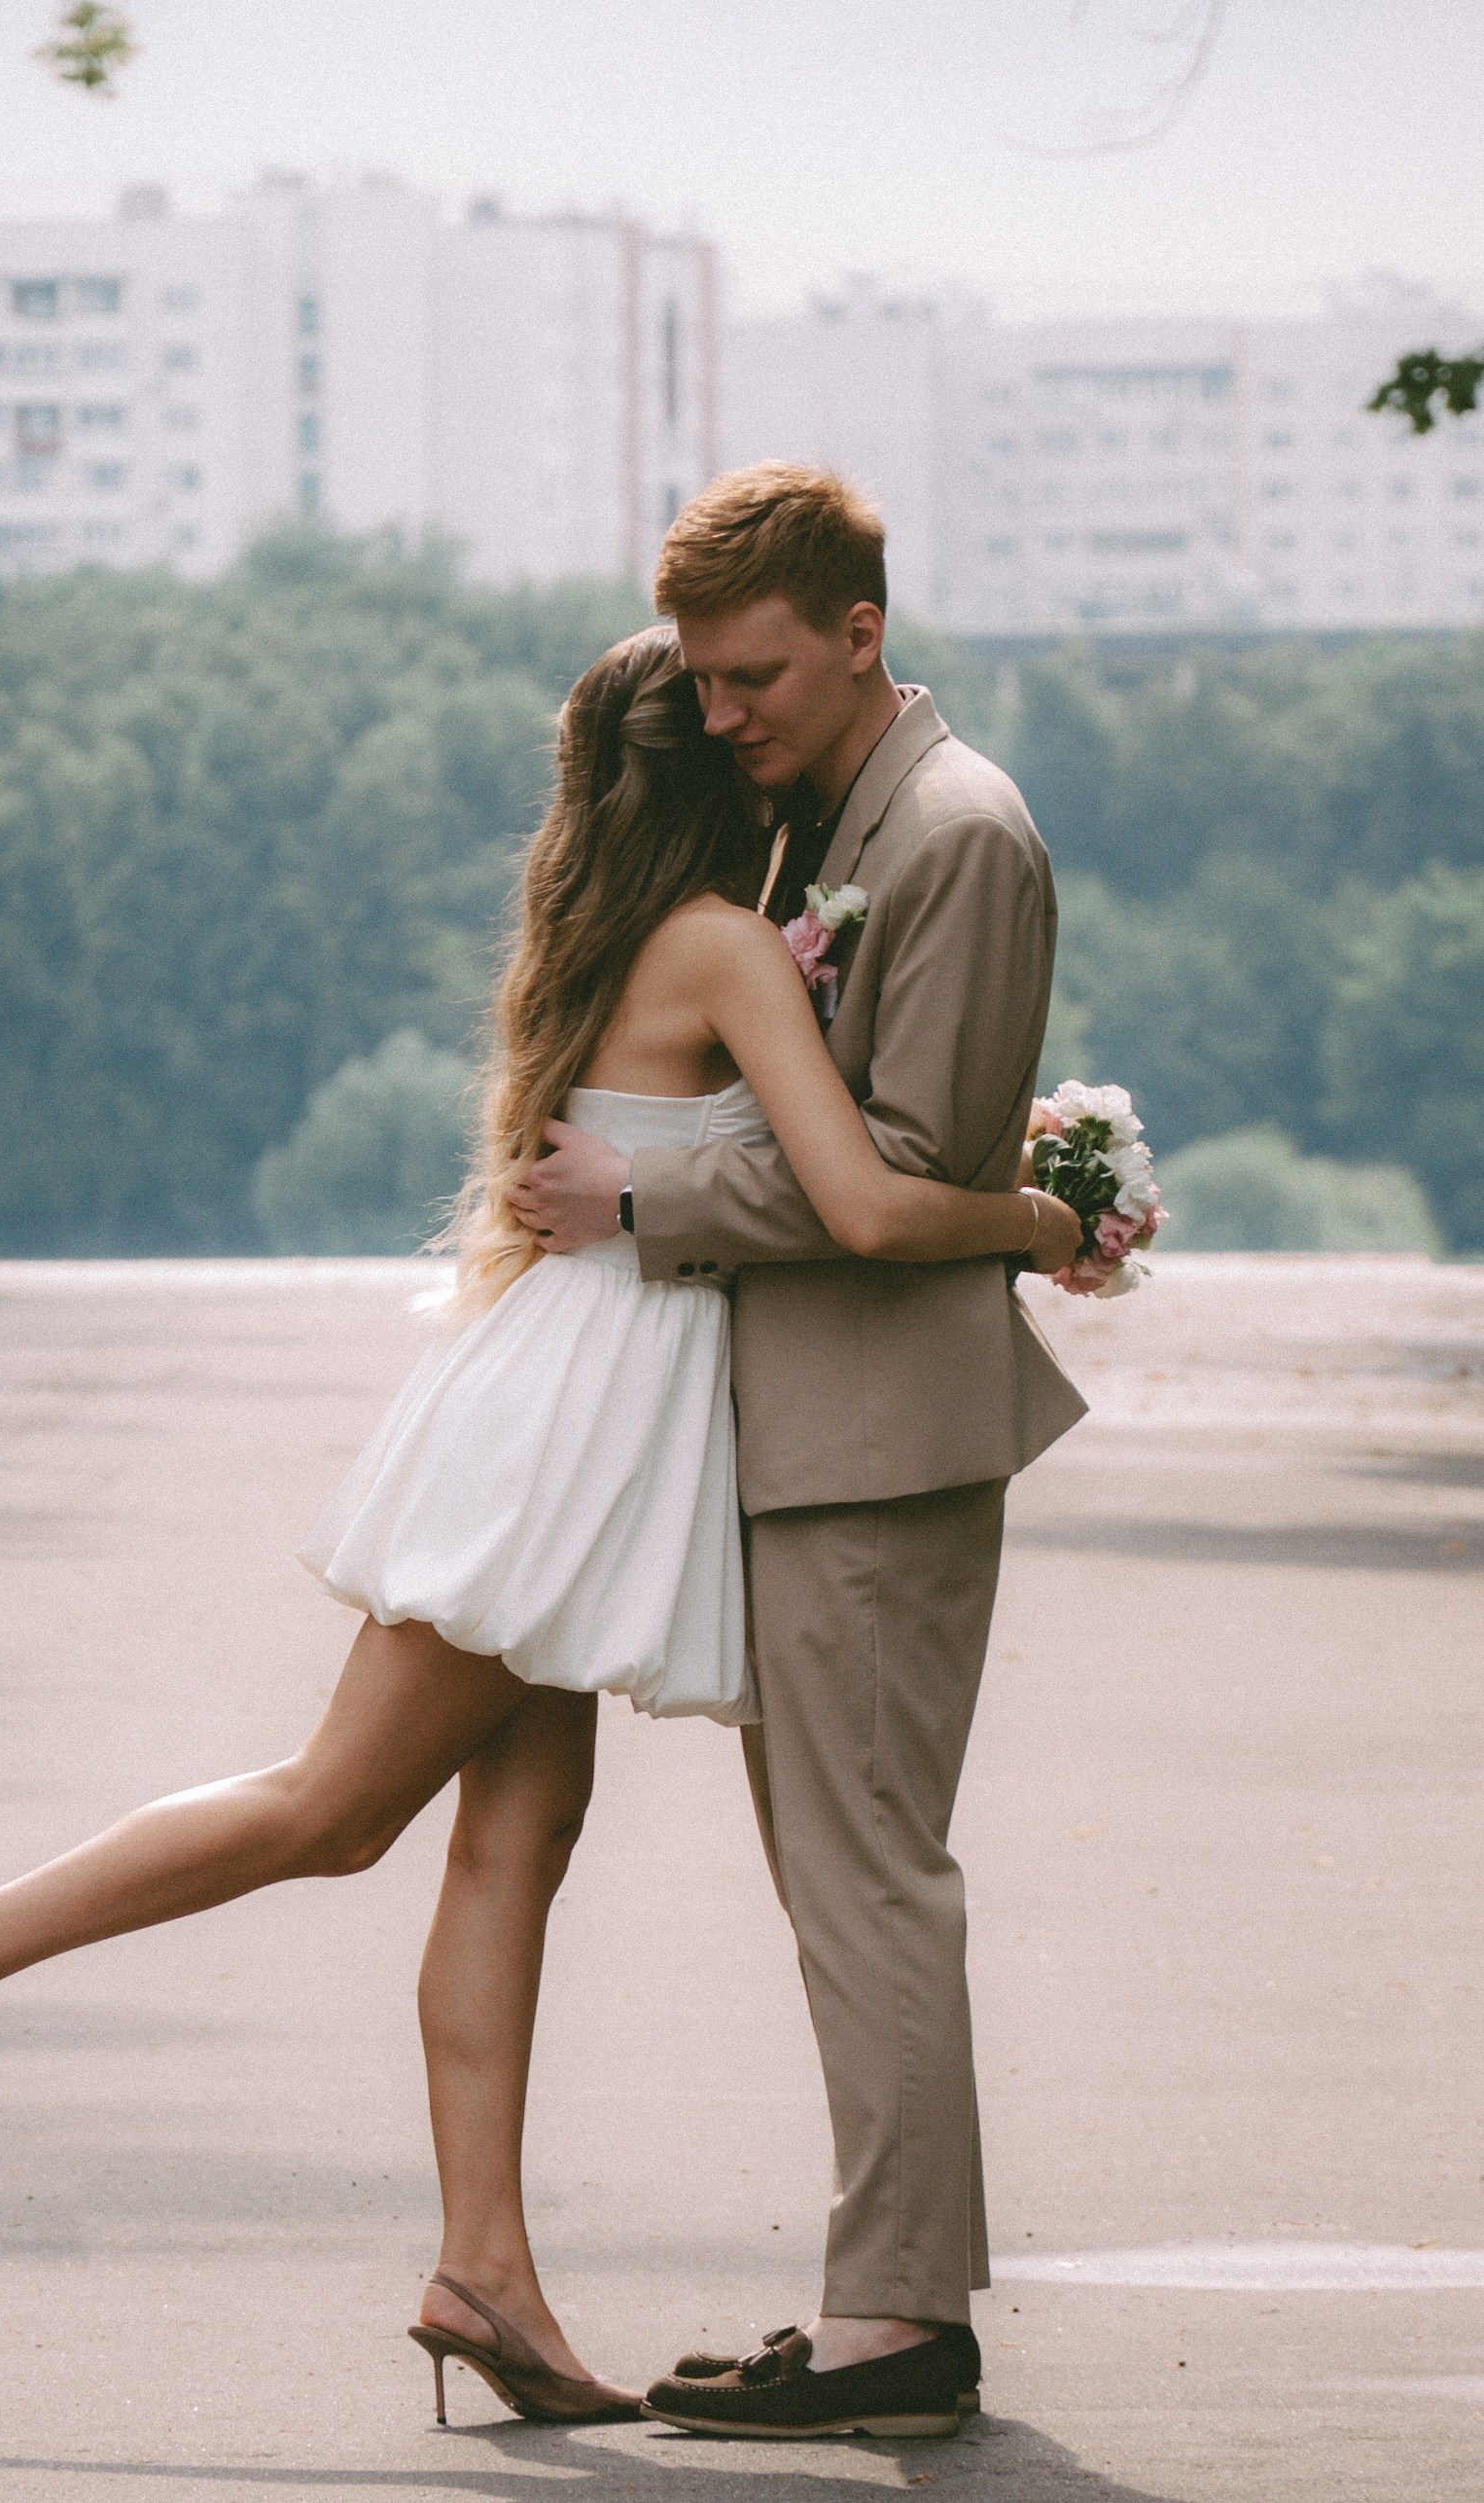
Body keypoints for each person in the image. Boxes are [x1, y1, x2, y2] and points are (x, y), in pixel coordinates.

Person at [0, 614, 1082, 2439]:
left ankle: (486, 2273)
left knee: (513, 1838)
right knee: (332, 1805)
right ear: (701, 777)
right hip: (578, 1436)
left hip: (564, 1406)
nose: (745, 727)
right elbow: (853, 1190)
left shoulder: (607, 935)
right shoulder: (717, 943)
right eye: (719, 715)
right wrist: (1035, 1211)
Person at [510, 464, 1089, 2440]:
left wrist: (648, 1200)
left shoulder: (952, 833)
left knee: (865, 1884)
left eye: (753, 672)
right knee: (840, 1882)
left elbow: (911, 1176)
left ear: (858, 631)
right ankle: (878, 2300)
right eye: (702, 674)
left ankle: (892, 2329)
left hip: (874, 1444)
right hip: (811, 1432)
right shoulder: (826, 818)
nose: (724, 708)